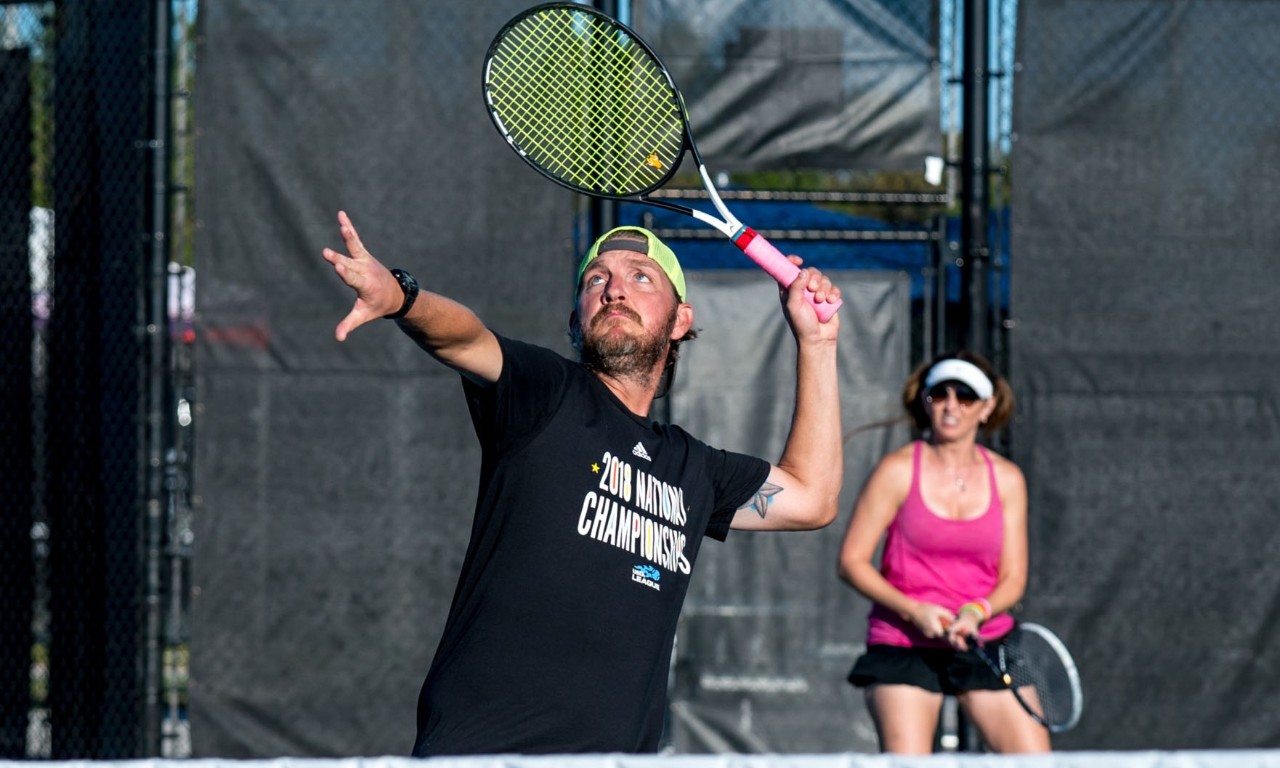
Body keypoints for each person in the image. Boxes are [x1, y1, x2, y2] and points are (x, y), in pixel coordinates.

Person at [321, 212, 844, 756]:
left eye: (641, 276)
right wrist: (404, 297)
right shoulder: (546, 396)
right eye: (596, 280)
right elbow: (466, 337)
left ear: (681, 318)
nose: (615, 289)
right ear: (576, 321)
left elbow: (812, 497)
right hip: (480, 754)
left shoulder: (693, 469)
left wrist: (819, 343)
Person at [836, 351, 1049, 754]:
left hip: (984, 644)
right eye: (940, 394)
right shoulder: (896, 470)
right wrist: (914, 611)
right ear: (926, 402)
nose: (951, 405)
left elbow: (1014, 578)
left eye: (965, 396)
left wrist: (975, 613)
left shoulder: (1007, 479)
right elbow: (851, 562)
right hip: (903, 645)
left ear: (986, 408)